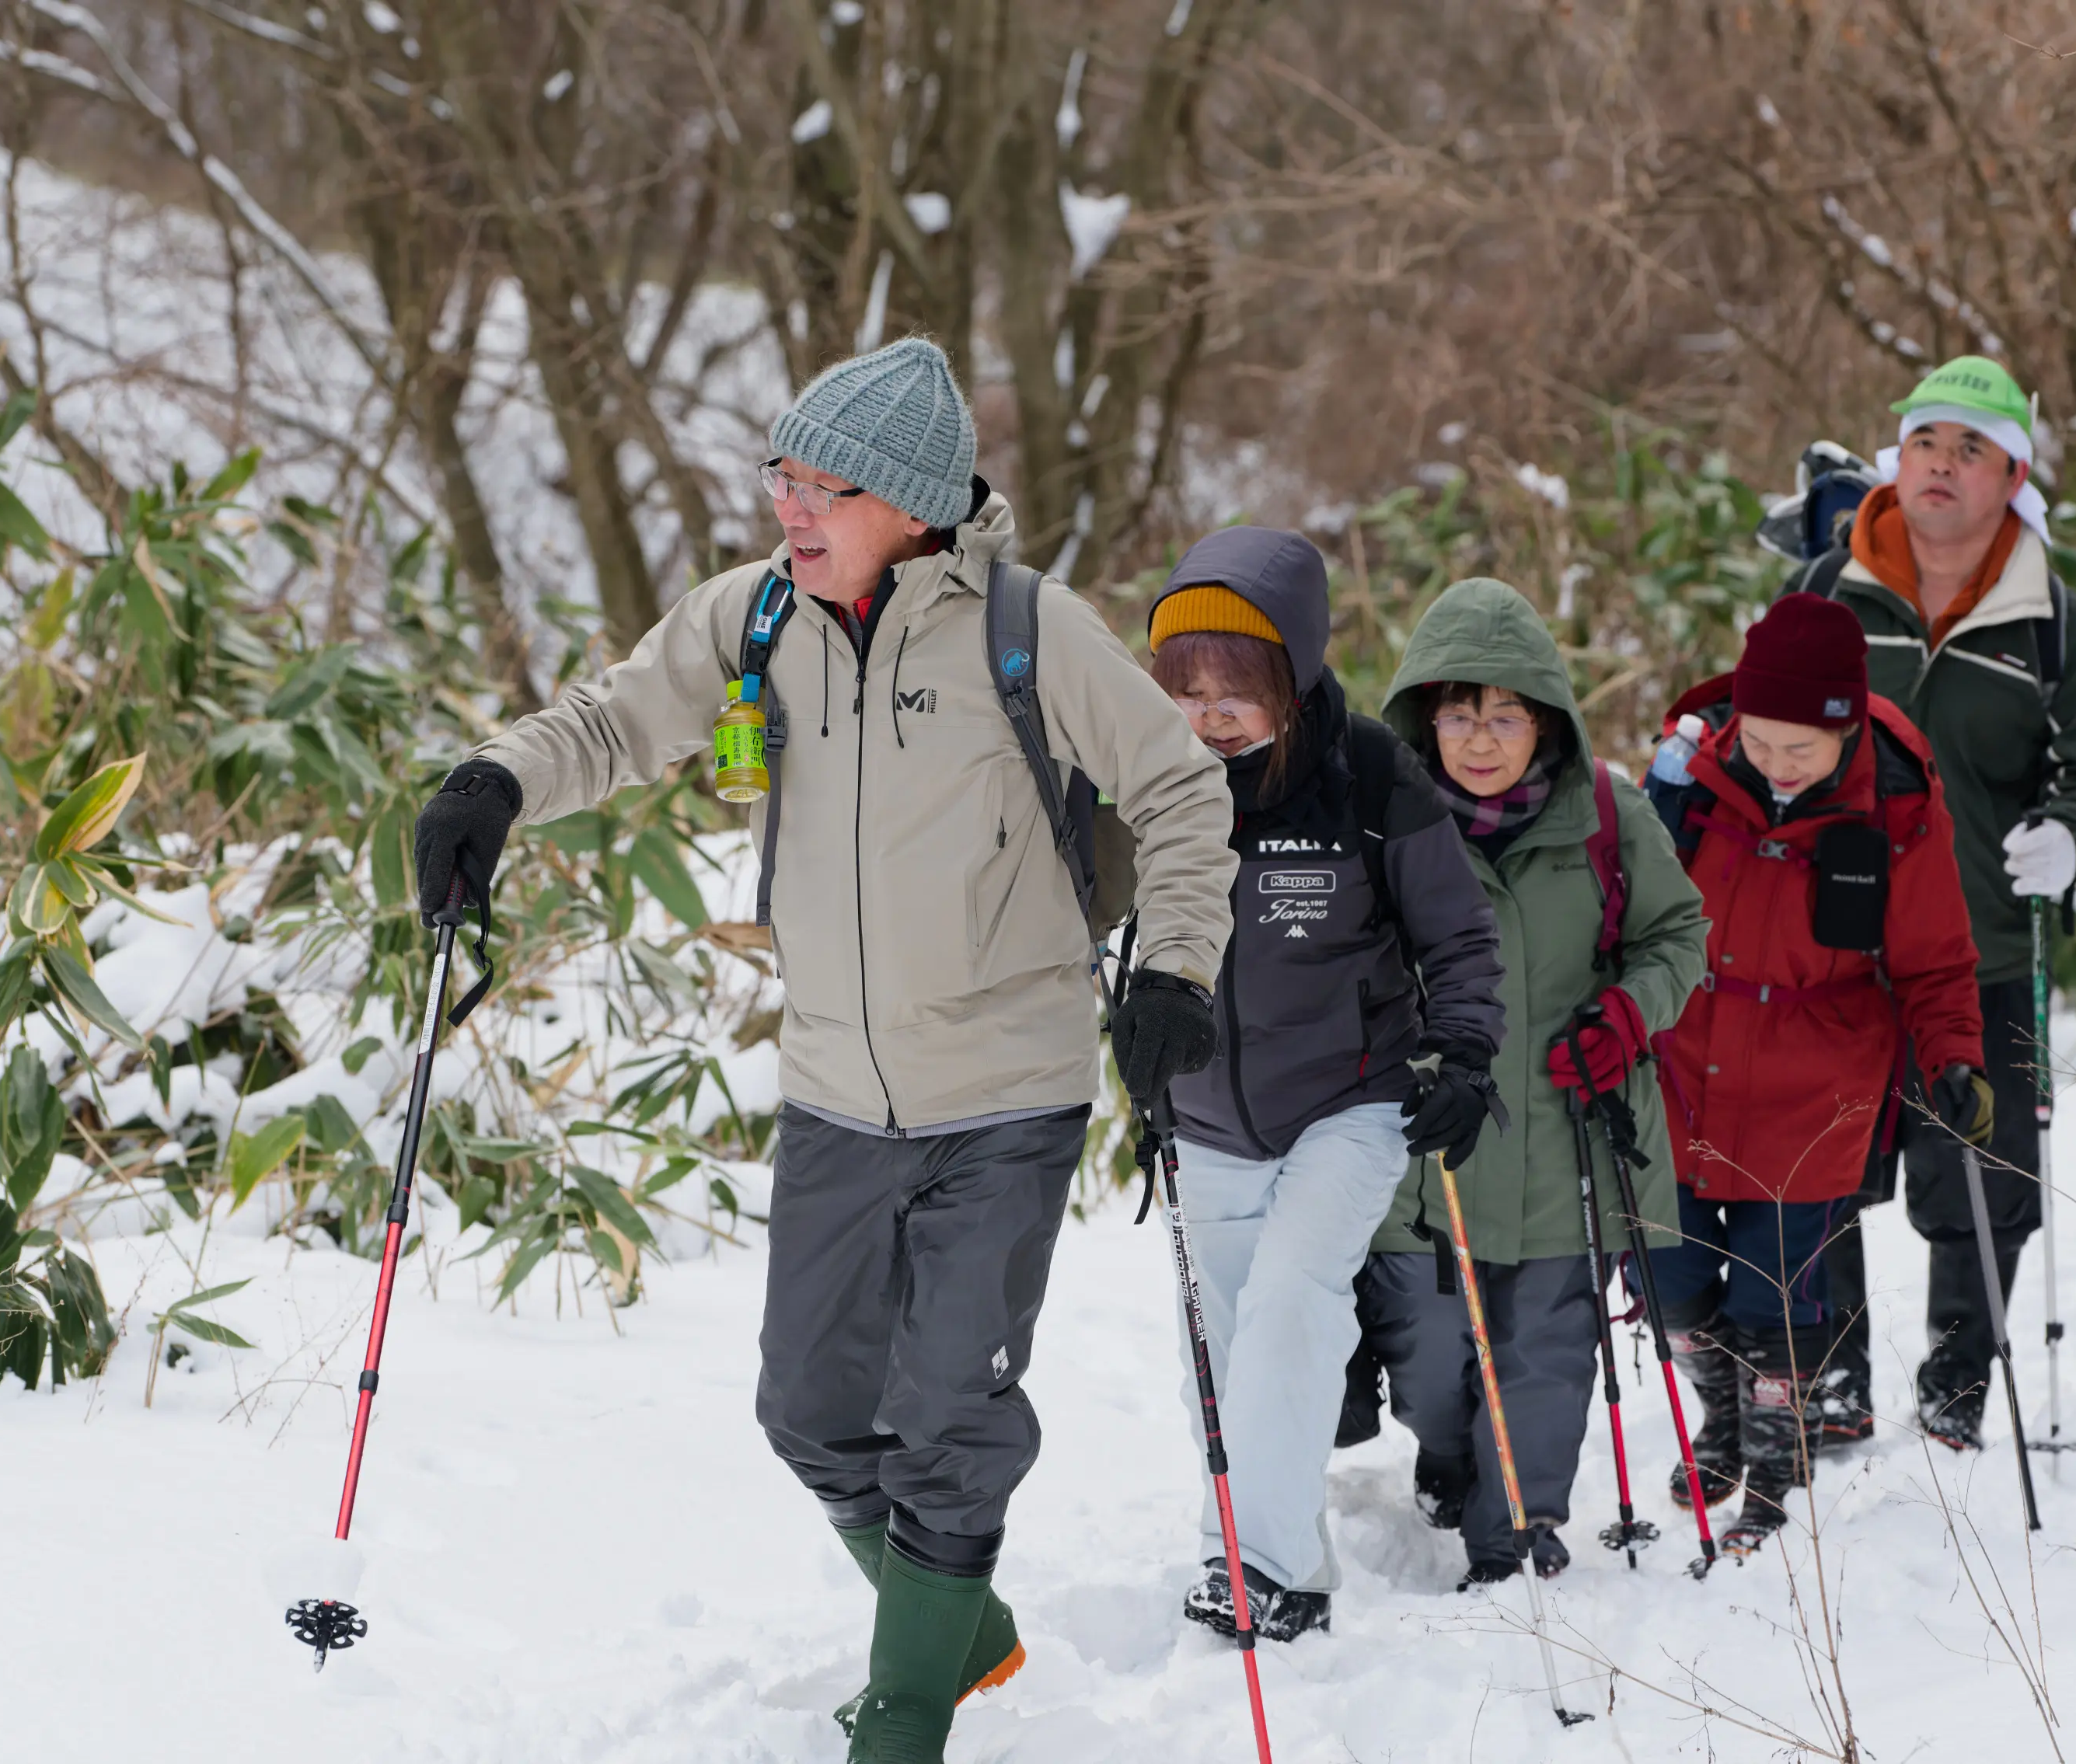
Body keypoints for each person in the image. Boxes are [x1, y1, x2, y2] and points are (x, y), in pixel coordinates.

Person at [408, 337, 1237, 1762]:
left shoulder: (1029, 631)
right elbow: (615, 721)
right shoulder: (755, 620)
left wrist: (1174, 970)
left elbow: (1177, 795)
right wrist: (497, 783)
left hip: (1007, 1087)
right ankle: (954, 1617)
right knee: (806, 1405)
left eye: (826, 488)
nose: (791, 512)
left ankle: (911, 1698)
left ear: (912, 506)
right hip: (836, 1089)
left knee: (944, 1408)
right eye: (781, 479)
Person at [1126, 531, 1506, 1640]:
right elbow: (1092, 921)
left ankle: (1269, 1568)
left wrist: (1465, 1055)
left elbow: (1459, 940)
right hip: (1202, 1112)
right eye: (1185, 689)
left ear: (1292, 674)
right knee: (1230, 1334)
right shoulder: (1146, 780)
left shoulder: (1373, 775)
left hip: (1348, 1101)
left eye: (1235, 689)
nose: (1209, 713)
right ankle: (1241, 1547)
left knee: (1293, 1306)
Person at [1788, 356, 2076, 1449]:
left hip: (1982, 941)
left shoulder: (2055, 625)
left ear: (2013, 473)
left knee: (1986, 1176)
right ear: (1899, 461)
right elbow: (1756, 747)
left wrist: (2072, 839)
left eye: (1970, 449)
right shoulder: (1823, 597)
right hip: (1833, 936)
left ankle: (1957, 1372)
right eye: (1926, 443)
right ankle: (1829, 1372)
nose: (1942, 465)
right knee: (1816, 1163)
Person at [1339, 577, 1708, 1586]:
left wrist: (1628, 1013)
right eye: (1460, 715)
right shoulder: (1383, 818)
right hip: (1426, 1151)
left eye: (1506, 715)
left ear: (1545, 720)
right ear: (1425, 715)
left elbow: (1678, 934)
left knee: (1546, 1352)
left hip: (1567, 1136)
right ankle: (1452, 1459)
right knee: (1424, 1353)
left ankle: (1519, 1528)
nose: (1482, 739)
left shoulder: (1609, 816)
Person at [1648, 594, 1991, 1552]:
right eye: (1760, 739)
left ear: (1845, 727)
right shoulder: (1686, 785)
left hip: (1816, 1084)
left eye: (1802, 747)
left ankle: (1772, 1464)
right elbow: (1621, 913)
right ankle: (1721, 1415)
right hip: (1686, 1065)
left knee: (1774, 1294)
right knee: (1663, 1269)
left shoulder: (1897, 806)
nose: (1778, 762)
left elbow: (1935, 959)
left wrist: (1954, 1056)